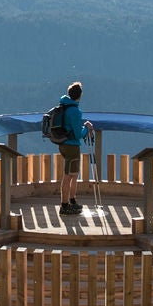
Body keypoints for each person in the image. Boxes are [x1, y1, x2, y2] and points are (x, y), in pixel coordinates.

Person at [53, 82, 95, 215]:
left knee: (73, 175)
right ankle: (64, 205)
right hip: (72, 146)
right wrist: (87, 128)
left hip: (63, 144)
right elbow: (78, 134)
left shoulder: (65, 107)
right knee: (68, 176)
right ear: (80, 95)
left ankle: (72, 201)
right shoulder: (75, 111)